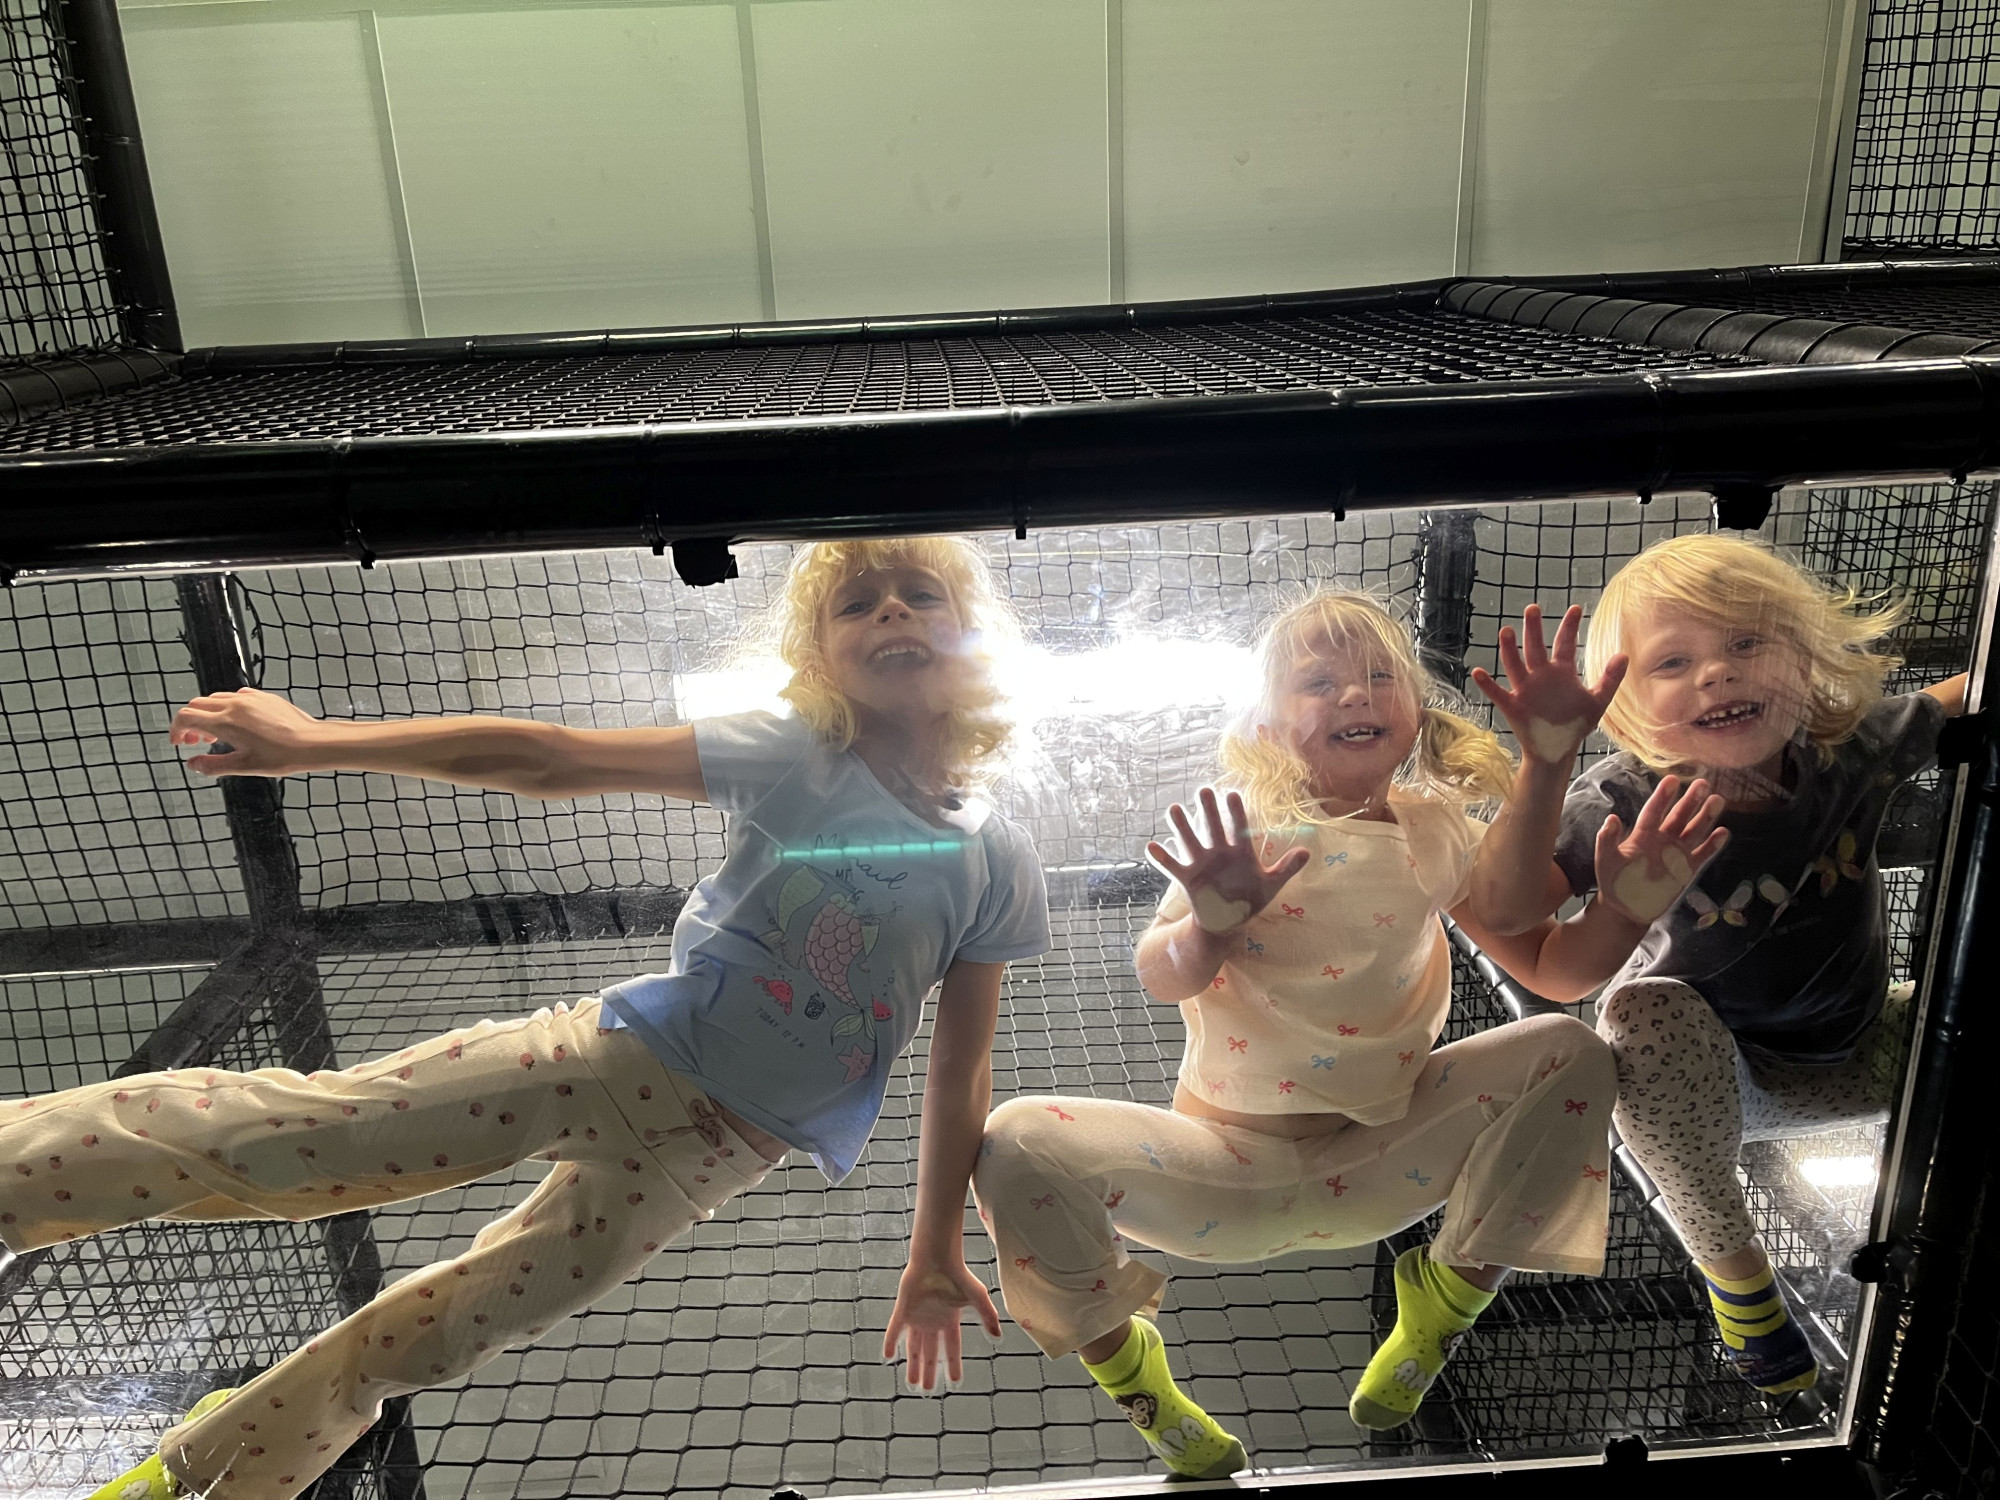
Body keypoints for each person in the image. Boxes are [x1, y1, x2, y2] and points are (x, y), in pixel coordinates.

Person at [0, 536, 1050, 1500]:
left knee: (430, 1340)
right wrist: (316, 742)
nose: (890, 612)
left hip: (705, 1164)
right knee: (311, 1141)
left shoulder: (996, 857)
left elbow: (960, 1072)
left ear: (972, 638)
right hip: (610, 1060)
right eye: (857, 604)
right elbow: (555, 759)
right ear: (819, 657)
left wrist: (932, 1249)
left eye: (920, 595)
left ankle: (195, 1481)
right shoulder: (798, 755)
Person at [973, 590, 1725, 1475]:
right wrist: (1209, 927)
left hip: (1383, 1160)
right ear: (1265, 723)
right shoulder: (1245, 827)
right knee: (1014, 1140)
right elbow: (1160, 973)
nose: (1355, 694)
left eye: (1378, 677)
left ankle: (1443, 1305)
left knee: (1574, 1053)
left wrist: (1624, 908)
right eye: (1318, 682)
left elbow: (1554, 972)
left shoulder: (1435, 830)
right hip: (1225, 1175)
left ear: (1416, 713)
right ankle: (1141, 1385)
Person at [1478, 533, 1969, 1395]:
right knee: (1638, 1014)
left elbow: (1961, 694)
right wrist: (1545, 765)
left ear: (1804, 658)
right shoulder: (1626, 798)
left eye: (1747, 642)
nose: (1717, 673)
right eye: (1674, 662)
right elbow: (1511, 910)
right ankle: (1738, 1278)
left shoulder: (1847, 747)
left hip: (1871, 1047)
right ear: (1628, 705)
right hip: (1724, 1083)